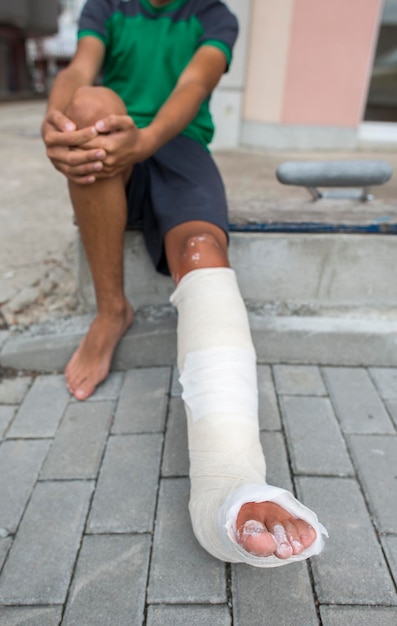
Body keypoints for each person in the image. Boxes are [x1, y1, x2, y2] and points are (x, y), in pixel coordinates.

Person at [41, 0, 327, 567]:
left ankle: (233, 485)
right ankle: (111, 310)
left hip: (174, 142)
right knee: (88, 103)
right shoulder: (108, 7)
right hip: (107, 136)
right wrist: (58, 122)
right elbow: (79, 68)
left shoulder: (213, 16)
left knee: (202, 249)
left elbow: (194, 84)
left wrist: (144, 142)